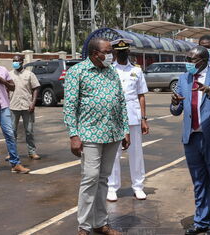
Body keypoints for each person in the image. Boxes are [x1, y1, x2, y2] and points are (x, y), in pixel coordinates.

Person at [63, 37, 130, 235]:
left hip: (112, 133)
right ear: (95, 54)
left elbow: (121, 101)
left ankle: (100, 223)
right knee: (90, 178)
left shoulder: (112, 72)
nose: (112, 55)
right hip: (89, 133)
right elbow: (69, 106)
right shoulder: (77, 72)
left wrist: (125, 129)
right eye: (108, 52)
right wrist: (73, 135)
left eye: (112, 52)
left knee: (103, 179)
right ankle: (83, 226)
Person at [170, 46, 210, 235]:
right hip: (192, 137)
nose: (188, 63)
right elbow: (177, 110)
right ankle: (201, 221)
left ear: (204, 60)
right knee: (199, 182)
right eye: (187, 58)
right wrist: (174, 104)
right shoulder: (184, 78)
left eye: (192, 59)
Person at [107, 39, 149, 202]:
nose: (123, 54)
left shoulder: (137, 71)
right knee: (113, 154)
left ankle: (138, 186)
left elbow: (141, 95)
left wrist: (144, 119)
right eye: (120, 52)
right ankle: (112, 187)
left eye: (126, 52)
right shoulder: (109, 70)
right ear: (115, 53)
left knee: (136, 153)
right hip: (114, 118)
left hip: (133, 116)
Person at [8, 55, 41, 160]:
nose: (15, 63)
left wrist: (33, 103)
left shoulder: (29, 74)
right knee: (12, 131)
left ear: (22, 62)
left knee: (29, 130)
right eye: (13, 61)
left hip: (27, 106)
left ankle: (32, 152)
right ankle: (12, 153)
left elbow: (36, 88)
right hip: (13, 106)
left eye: (17, 61)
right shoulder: (9, 75)